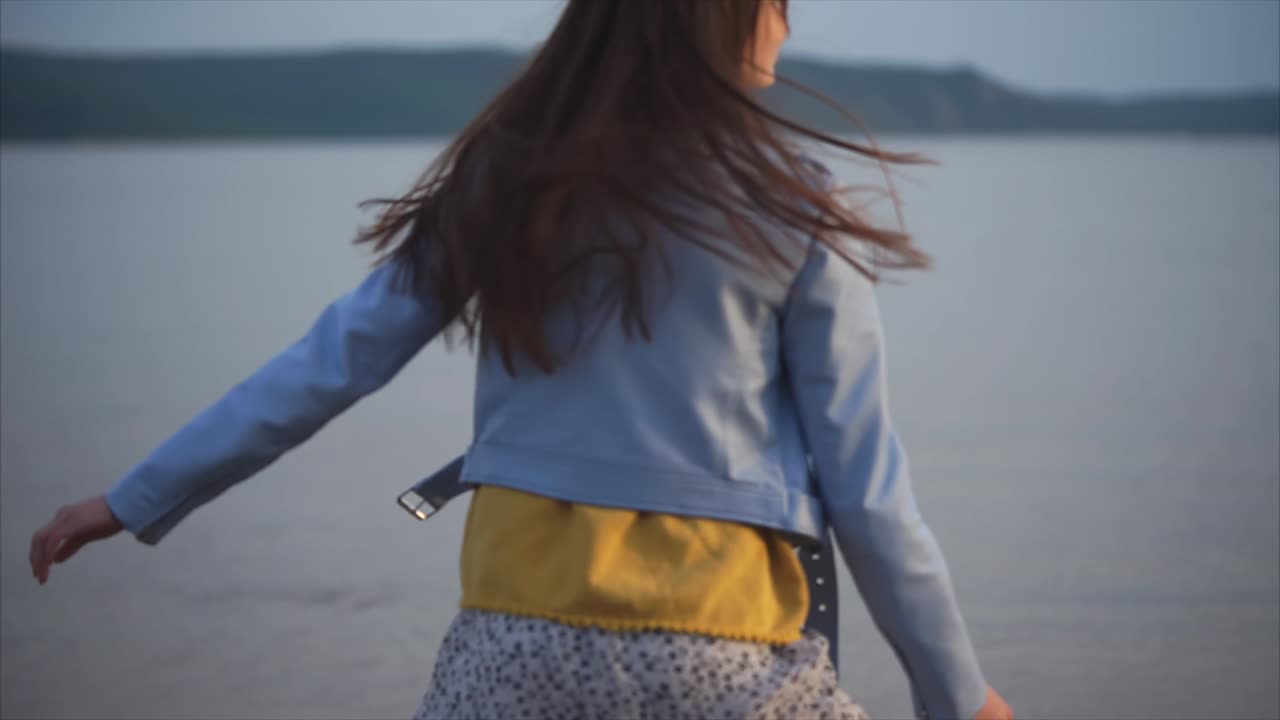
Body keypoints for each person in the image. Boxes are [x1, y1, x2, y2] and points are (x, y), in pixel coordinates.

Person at [29, 1, 1014, 718]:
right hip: (725, 654)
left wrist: (134, 496)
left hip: (509, 648)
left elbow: (330, 362)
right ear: (726, 19)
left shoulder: (504, 176)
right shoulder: (796, 202)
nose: (788, 27)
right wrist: (956, 694)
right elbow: (869, 496)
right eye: (780, 3)